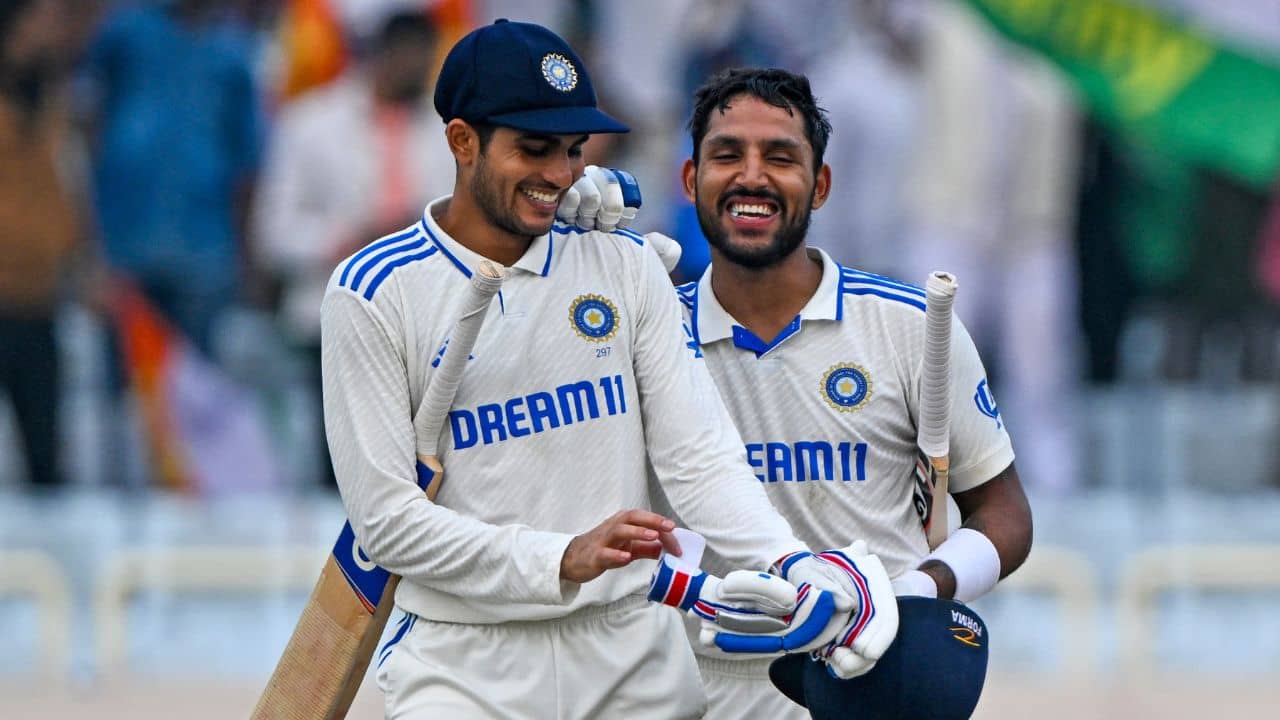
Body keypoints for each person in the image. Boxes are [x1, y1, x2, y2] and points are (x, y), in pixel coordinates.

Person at [320, 20, 891, 719]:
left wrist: (791, 562)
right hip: (463, 662)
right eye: (533, 149)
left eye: (572, 149)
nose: (560, 175)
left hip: (630, 654)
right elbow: (386, 526)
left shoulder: (621, 262)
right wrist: (563, 556)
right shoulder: (374, 291)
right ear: (463, 142)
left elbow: (699, 458)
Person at [660, 67, 1033, 718]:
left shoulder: (910, 326)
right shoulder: (649, 333)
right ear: (691, 180)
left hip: (869, 678)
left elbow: (1004, 515)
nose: (752, 177)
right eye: (727, 155)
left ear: (821, 185)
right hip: (695, 685)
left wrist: (916, 590)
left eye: (781, 158)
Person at [253, 9, 452, 487]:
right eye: (409, 58)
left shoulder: (447, 130)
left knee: (420, 467)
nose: (416, 70)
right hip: (333, 310)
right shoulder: (312, 123)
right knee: (344, 469)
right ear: (381, 54)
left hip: (426, 322)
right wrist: (349, 239)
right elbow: (273, 231)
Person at [0, 0, 83, 490]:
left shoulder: (52, 94)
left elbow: (66, 185)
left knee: (46, 456)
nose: (56, 29)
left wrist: (78, 255)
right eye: (46, 18)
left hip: (39, 298)